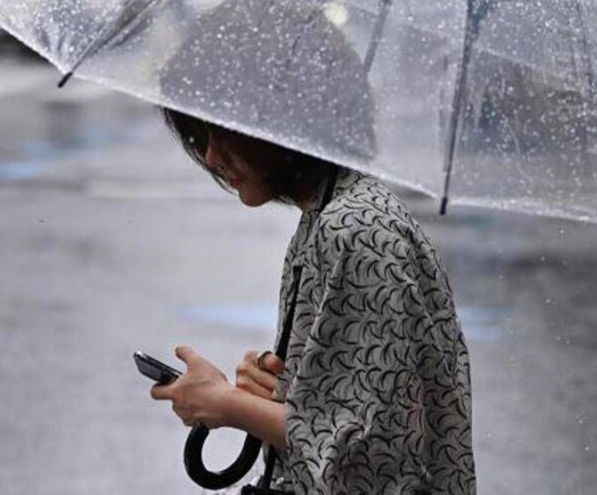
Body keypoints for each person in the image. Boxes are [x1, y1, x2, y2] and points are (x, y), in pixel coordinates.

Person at [149, 108, 476, 494]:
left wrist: (228, 405)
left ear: (280, 125)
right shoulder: (328, 217)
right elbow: (352, 411)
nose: (211, 156)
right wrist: (280, 393)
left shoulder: (356, 231)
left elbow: (366, 455)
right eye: (203, 136)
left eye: (224, 134)